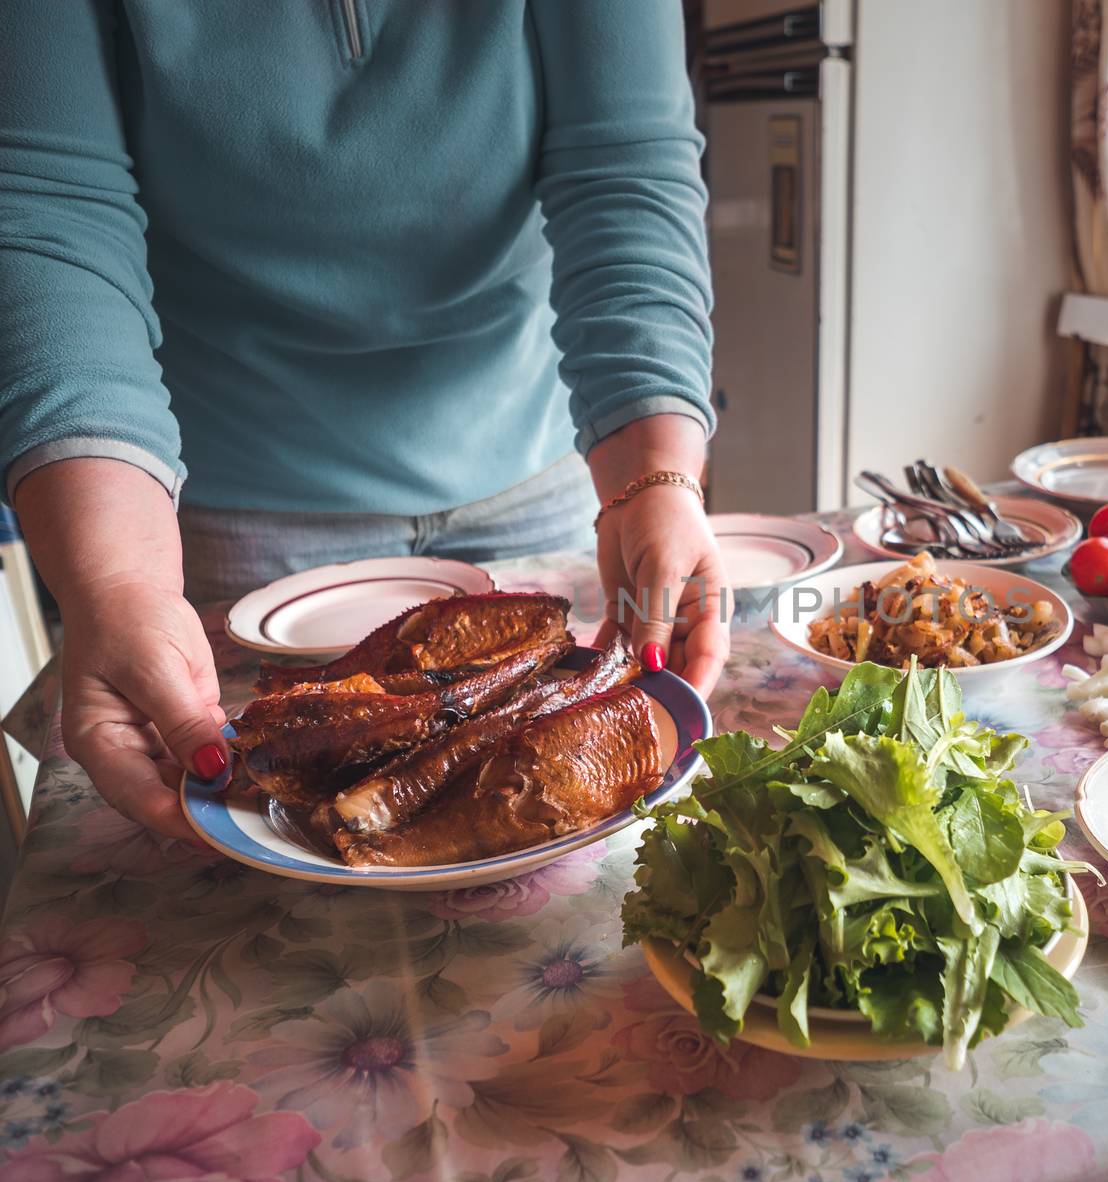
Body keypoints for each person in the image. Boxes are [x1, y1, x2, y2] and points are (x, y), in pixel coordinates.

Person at [0, 1, 729, 842]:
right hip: (226, 497)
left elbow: (624, 173)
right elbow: (48, 211)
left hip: (540, 460)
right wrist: (119, 583)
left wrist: (656, 477)